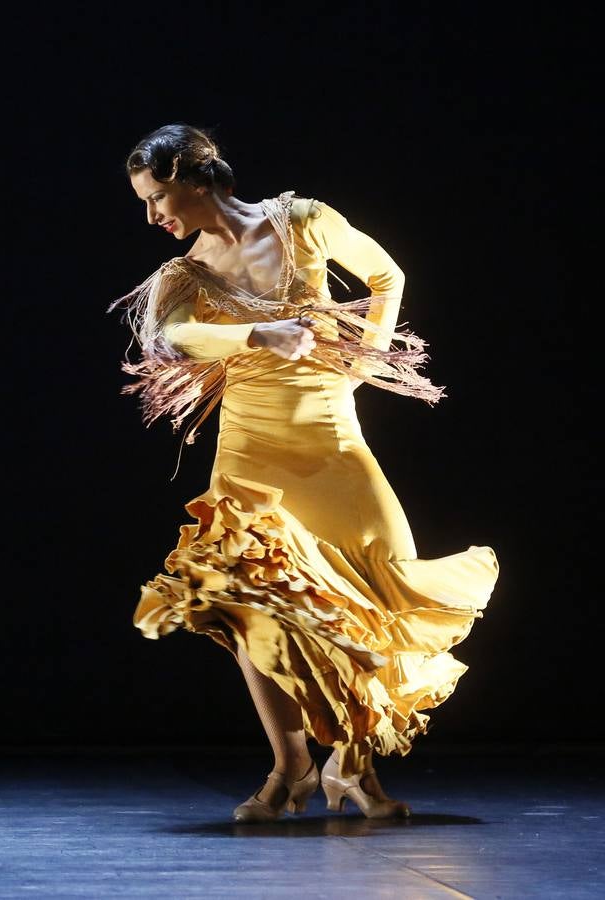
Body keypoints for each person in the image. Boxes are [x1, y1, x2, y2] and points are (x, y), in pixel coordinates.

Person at [108, 123, 500, 822]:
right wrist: (259, 332)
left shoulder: (302, 220)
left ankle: (351, 768)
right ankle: (290, 770)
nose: (152, 215)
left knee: (387, 588)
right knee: (256, 603)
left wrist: (363, 362)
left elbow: (388, 275)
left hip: (331, 439)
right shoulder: (183, 273)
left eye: (158, 196)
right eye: (144, 202)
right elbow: (171, 336)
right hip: (251, 450)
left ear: (198, 178)